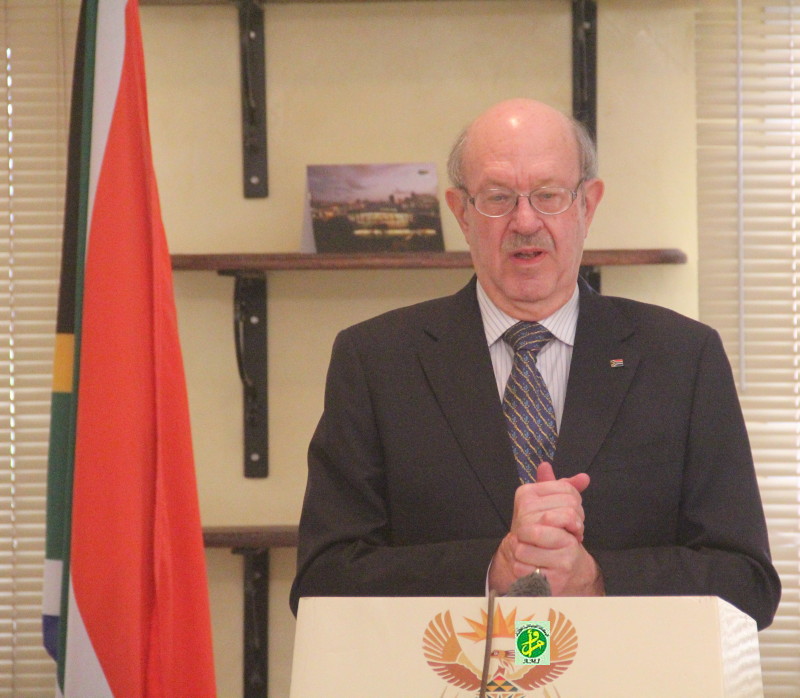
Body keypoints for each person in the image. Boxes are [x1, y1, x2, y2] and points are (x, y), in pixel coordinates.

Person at [289, 98, 781, 630]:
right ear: (461, 213)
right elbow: (323, 579)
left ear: (587, 205)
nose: (525, 221)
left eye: (548, 195)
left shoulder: (684, 358)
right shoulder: (375, 361)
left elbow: (747, 582)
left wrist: (598, 580)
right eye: (497, 198)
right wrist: (491, 570)